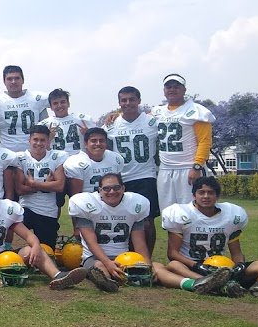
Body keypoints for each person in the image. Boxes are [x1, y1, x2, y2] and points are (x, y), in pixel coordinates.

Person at [70, 172, 230, 295]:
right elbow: (91, 242)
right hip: (95, 257)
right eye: (106, 188)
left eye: (116, 187)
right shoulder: (87, 205)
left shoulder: (135, 204)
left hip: (125, 257)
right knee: (98, 267)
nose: (112, 191)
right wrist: (107, 263)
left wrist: (147, 264)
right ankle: (107, 282)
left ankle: (195, 284)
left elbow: (139, 242)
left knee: (156, 266)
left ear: (123, 188)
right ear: (99, 191)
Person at [0, 173, 86, 291]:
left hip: (2, 256)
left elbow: (28, 235)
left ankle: (58, 276)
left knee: (35, 248)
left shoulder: (7, 208)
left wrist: (35, 246)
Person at [161, 176, 258, 298]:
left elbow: (236, 252)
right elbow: (173, 253)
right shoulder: (182, 214)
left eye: (210, 193)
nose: (206, 196)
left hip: (221, 268)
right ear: (194, 195)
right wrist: (197, 265)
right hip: (192, 267)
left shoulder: (231, 215)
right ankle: (206, 282)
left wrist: (239, 266)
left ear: (217, 196)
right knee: (173, 265)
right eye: (201, 192)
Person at [151, 73, 215, 211]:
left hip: (188, 168)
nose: (172, 90)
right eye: (169, 87)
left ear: (184, 90)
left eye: (176, 87)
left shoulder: (196, 111)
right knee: (168, 214)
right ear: (164, 90)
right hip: (165, 169)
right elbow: (137, 121)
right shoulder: (157, 112)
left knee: (192, 212)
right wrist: (116, 115)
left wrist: (197, 166)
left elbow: (205, 141)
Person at [107, 85, 160, 251]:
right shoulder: (112, 124)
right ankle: (128, 256)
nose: (127, 103)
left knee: (147, 221)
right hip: (122, 179)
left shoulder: (152, 122)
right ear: (119, 102)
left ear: (139, 101)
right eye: (124, 100)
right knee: (123, 219)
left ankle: (147, 259)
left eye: (131, 99)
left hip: (146, 176)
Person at [14, 124, 67, 248]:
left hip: (47, 211)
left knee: (47, 251)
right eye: (35, 139)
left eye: (42, 140)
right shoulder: (21, 158)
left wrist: (33, 184)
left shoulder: (57, 157)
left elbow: (59, 186)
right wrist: (47, 185)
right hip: (25, 209)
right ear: (29, 140)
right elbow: (20, 189)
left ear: (48, 141)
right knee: (10, 226)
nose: (38, 143)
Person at [0, 65, 49, 153]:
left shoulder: (36, 99)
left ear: (23, 80)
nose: (13, 82)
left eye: (17, 78)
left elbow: (46, 128)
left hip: (34, 154)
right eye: (9, 79)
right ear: (4, 81)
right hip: (7, 154)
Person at [64, 127, 126, 197]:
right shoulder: (76, 162)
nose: (98, 143)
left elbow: (118, 187)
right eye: (94, 141)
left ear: (106, 143)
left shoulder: (115, 158)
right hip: (87, 203)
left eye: (102, 140)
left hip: (110, 201)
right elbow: (76, 196)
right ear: (86, 144)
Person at [39, 88, 90, 156]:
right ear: (51, 107)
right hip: (57, 162)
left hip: (80, 160)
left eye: (62, 102)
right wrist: (49, 138)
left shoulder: (82, 119)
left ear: (68, 104)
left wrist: (89, 134)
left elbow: (97, 142)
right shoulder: (44, 124)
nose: (59, 105)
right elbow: (39, 150)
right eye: (55, 103)